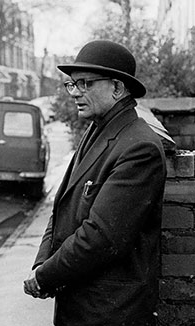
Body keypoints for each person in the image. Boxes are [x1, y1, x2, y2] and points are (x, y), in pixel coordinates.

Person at [23, 40, 167, 326]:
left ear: (117, 88)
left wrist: (45, 276)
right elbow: (61, 206)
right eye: (73, 84)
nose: (75, 93)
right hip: (81, 307)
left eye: (86, 83)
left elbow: (102, 237)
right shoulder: (97, 129)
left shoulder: (140, 148)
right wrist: (42, 262)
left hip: (111, 314)